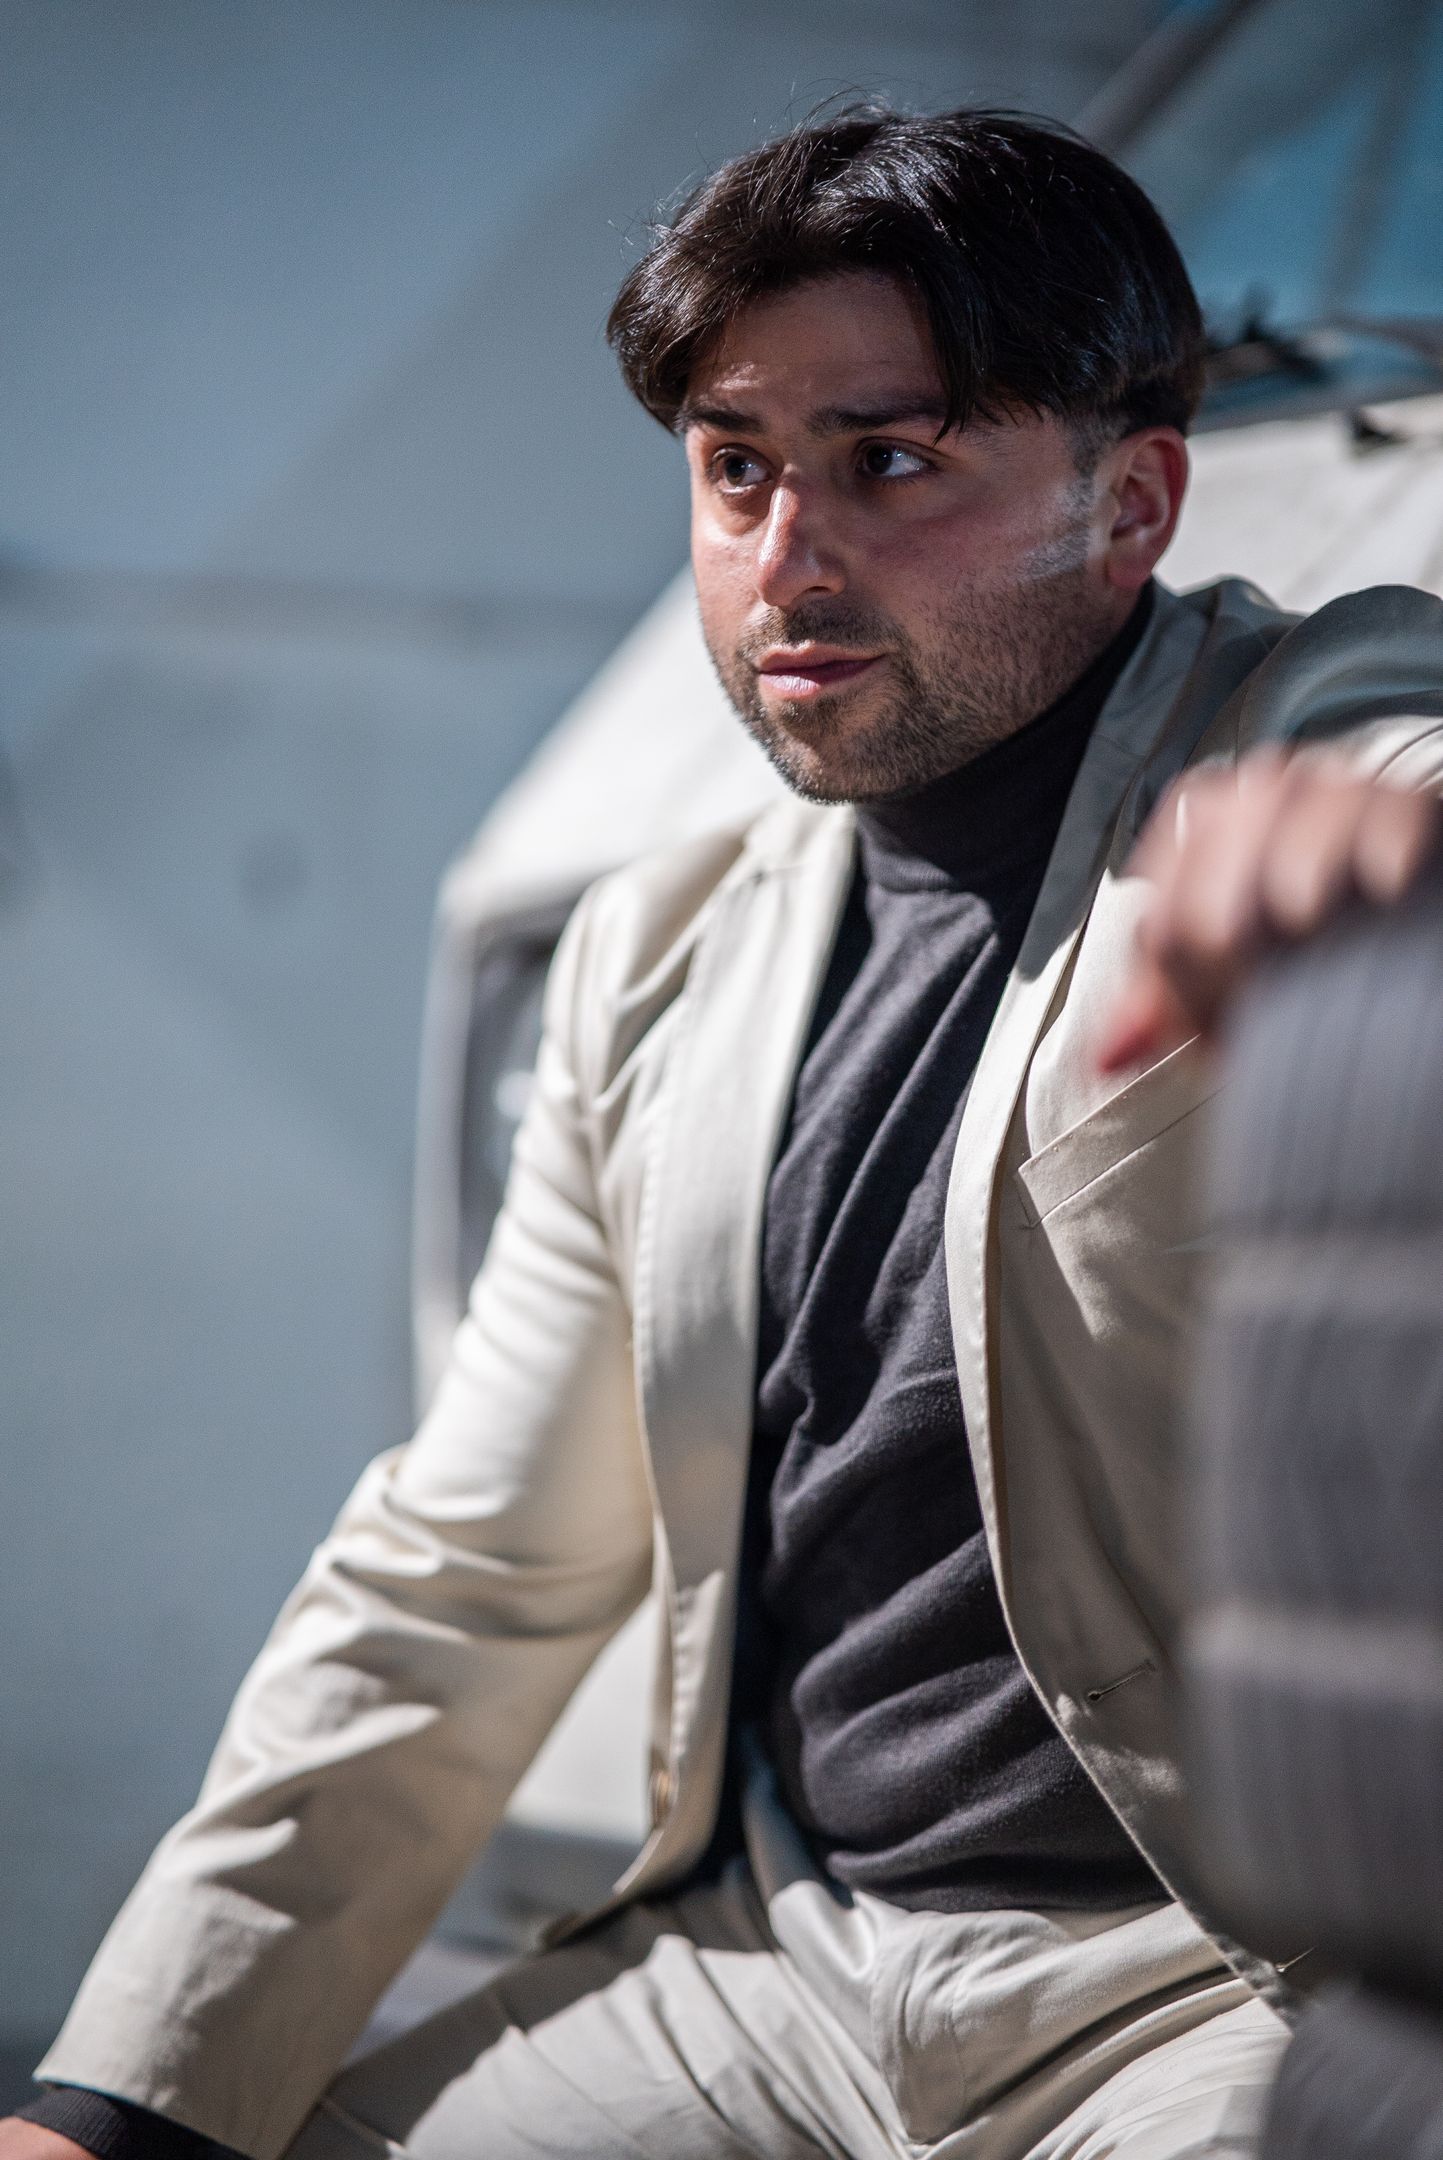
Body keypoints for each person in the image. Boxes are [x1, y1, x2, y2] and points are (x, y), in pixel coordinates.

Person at [9, 105, 1443, 2160]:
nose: (788, 559)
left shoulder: (1295, 737)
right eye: (736, 467)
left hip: (1209, 1980)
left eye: (890, 459)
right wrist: (114, 2104)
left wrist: (1381, 859)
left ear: (1130, 504)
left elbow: (1394, 738)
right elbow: (465, 1575)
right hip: (785, 1965)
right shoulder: (654, 960)